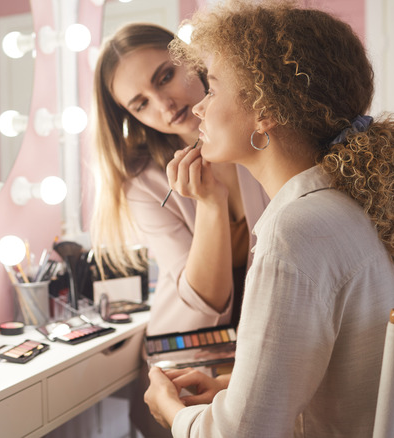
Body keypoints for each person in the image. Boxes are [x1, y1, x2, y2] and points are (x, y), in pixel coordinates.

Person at [144, 1, 394, 436]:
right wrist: (232, 387)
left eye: (211, 89)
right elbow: (344, 364)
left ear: (265, 111)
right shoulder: (346, 205)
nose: (198, 109)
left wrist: (172, 413)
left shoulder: (295, 231)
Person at [89, 23, 268, 437]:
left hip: (265, 346)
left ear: (191, 58)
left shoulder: (260, 128)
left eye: (165, 76)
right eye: (141, 104)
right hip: (189, 353)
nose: (164, 105)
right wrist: (210, 203)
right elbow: (208, 301)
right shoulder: (143, 182)